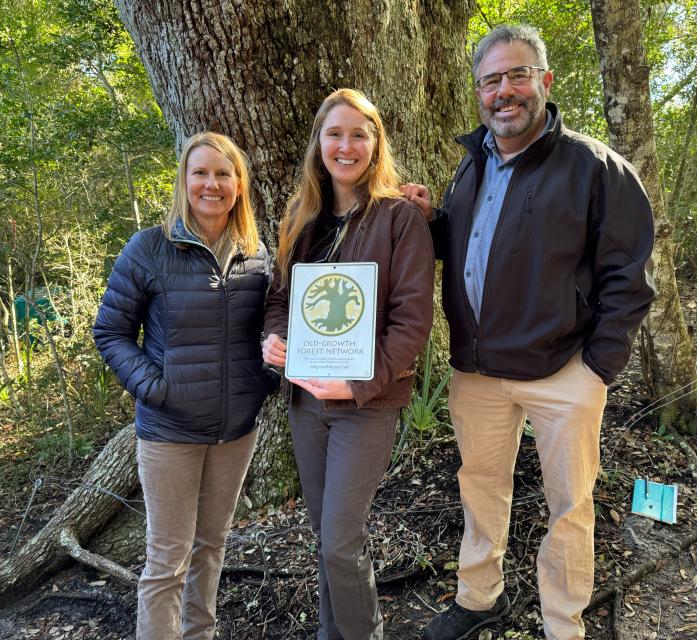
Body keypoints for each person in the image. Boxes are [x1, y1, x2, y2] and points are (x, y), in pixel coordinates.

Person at [402, 24, 656, 640]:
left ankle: (562, 623)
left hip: (562, 372)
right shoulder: (472, 167)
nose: (504, 92)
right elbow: (472, 248)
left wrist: (596, 366)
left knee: (569, 509)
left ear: (543, 81)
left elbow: (631, 271)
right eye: (491, 81)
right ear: (480, 95)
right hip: (479, 372)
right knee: (479, 489)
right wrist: (424, 220)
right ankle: (479, 595)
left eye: (517, 76)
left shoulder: (594, 167)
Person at [263, 88, 434, 640]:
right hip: (307, 403)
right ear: (319, 143)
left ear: (376, 144)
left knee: (340, 537)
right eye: (334, 133)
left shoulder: (399, 218)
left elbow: (413, 323)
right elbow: (280, 301)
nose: (346, 145)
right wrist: (275, 339)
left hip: (366, 403)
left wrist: (356, 382)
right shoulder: (302, 218)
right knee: (327, 537)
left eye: (359, 134)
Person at [93, 132, 278, 640]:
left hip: (235, 431)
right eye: (200, 173)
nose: (211, 184)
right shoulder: (149, 248)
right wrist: (155, 387)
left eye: (223, 174)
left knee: (212, 545)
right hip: (169, 431)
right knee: (167, 558)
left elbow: (272, 328)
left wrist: (266, 377)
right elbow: (110, 331)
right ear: (184, 182)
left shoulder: (258, 254)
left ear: (238, 185)